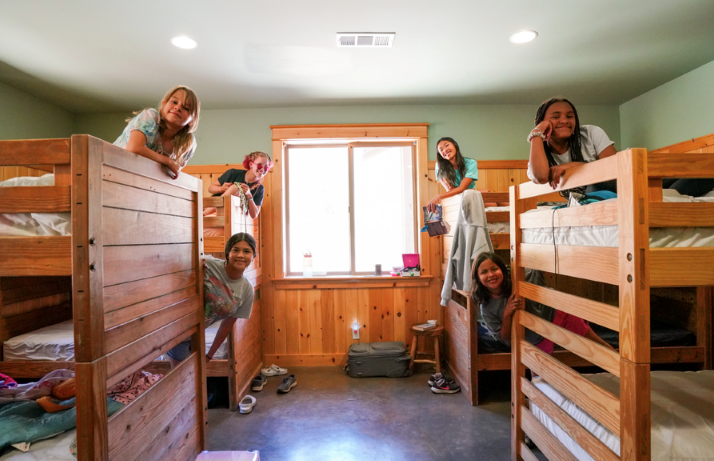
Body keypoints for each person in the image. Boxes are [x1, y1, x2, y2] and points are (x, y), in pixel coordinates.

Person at [528, 96, 714, 196]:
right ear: (542, 122)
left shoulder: (590, 132)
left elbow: (614, 169)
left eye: (570, 116)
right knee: (594, 190)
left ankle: (662, 198)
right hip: (598, 192)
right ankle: (662, 199)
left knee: (703, 175)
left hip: (627, 180)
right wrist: (537, 133)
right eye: (555, 116)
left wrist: (572, 166)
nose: (564, 120)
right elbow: (541, 176)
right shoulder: (539, 152)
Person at [470, 252, 613, 354]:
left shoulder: (517, 276)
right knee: (540, 377)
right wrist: (507, 314)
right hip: (536, 335)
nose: (491, 275)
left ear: (502, 269)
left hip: (557, 313)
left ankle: (624, 370)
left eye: (494, 269)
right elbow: (504, 338)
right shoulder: (486, 307)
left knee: (597, 345)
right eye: (484, 272)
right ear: (477, 277)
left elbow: (537, 270)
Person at [166, 233, 256, 366]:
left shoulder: (247, 290)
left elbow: (227, 325)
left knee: (191, 380)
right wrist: (193, 267)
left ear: (253, 257)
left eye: (247, 251)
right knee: (182, 379)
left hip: (198, 335)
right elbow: (177, 264)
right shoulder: (209, 264)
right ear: (227, 253)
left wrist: (210, 354)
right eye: (235, 250)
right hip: (178, 330)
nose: (240, 255)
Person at [114, 85, 200, 180]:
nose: (178, 107)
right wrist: (168, 161)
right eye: (174, 102)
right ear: (163, 104)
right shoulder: (151, 117)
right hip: (113, 164)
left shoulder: (187, 144)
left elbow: (174, 172)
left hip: (137, 178)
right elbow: (134, 148)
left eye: (186, 108)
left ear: (191, 120)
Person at [206, 151, 273, 219]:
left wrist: (249, 196)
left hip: (233, 214)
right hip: (214, 207)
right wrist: (221, 189)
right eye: (259, 165)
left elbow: (254, 215)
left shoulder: (260, 188)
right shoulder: (233, 173)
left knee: (236, 189)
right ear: (251, 164)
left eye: (266, 167)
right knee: (236, 188)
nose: (262, 169)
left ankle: (204, 213)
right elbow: (210, 188)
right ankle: (205, 213)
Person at [427, 137, 478, 212]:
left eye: (447, 145)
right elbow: (450, 189)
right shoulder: (439, 166)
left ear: (455, 145)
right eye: (441, 150)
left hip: (470, 193)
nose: (445, 150)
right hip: (454, 195)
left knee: (494, 201)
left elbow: (462, 187)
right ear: (440, 155)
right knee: (491, 203)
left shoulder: (471, 163)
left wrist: (438, 197)